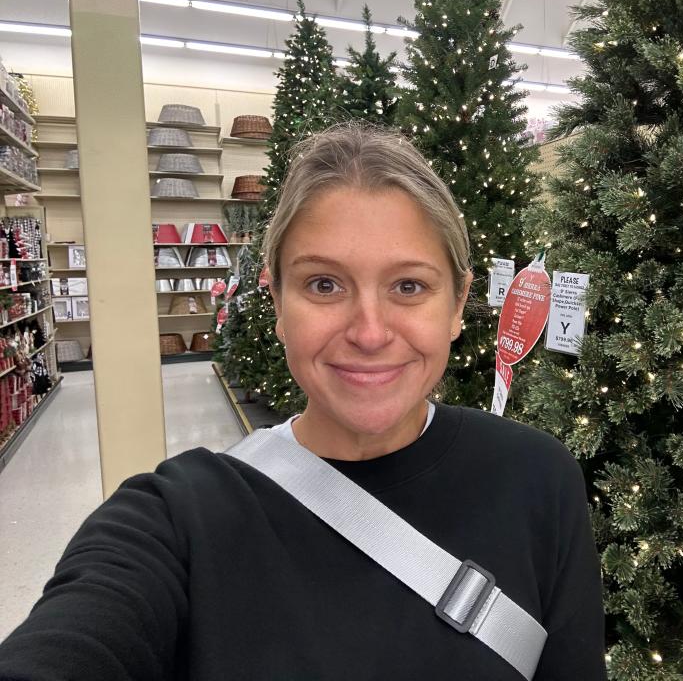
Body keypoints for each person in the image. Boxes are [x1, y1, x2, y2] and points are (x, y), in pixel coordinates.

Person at [0, 123, 606, 680]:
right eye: (324, 284)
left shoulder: (537, 478)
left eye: (408, 286)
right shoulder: (176, 522)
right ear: (277, 301)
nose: (370, 332)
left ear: (456, 304)